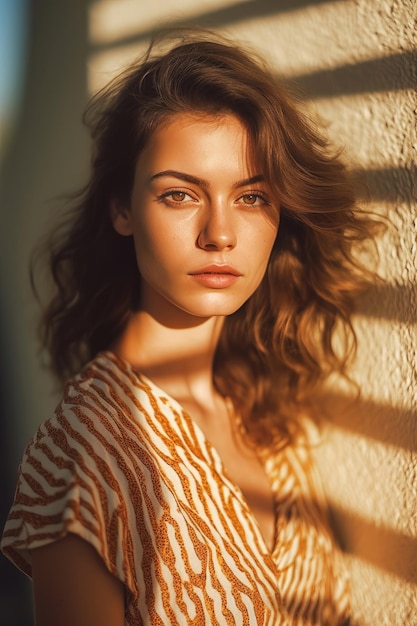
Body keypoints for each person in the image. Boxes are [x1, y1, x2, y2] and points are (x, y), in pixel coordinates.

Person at [1, 29, 376, 626]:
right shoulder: (87, 452)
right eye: (180, 195)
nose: (220, 233)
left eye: (251, 197)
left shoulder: (268, 417)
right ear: (122, 208)